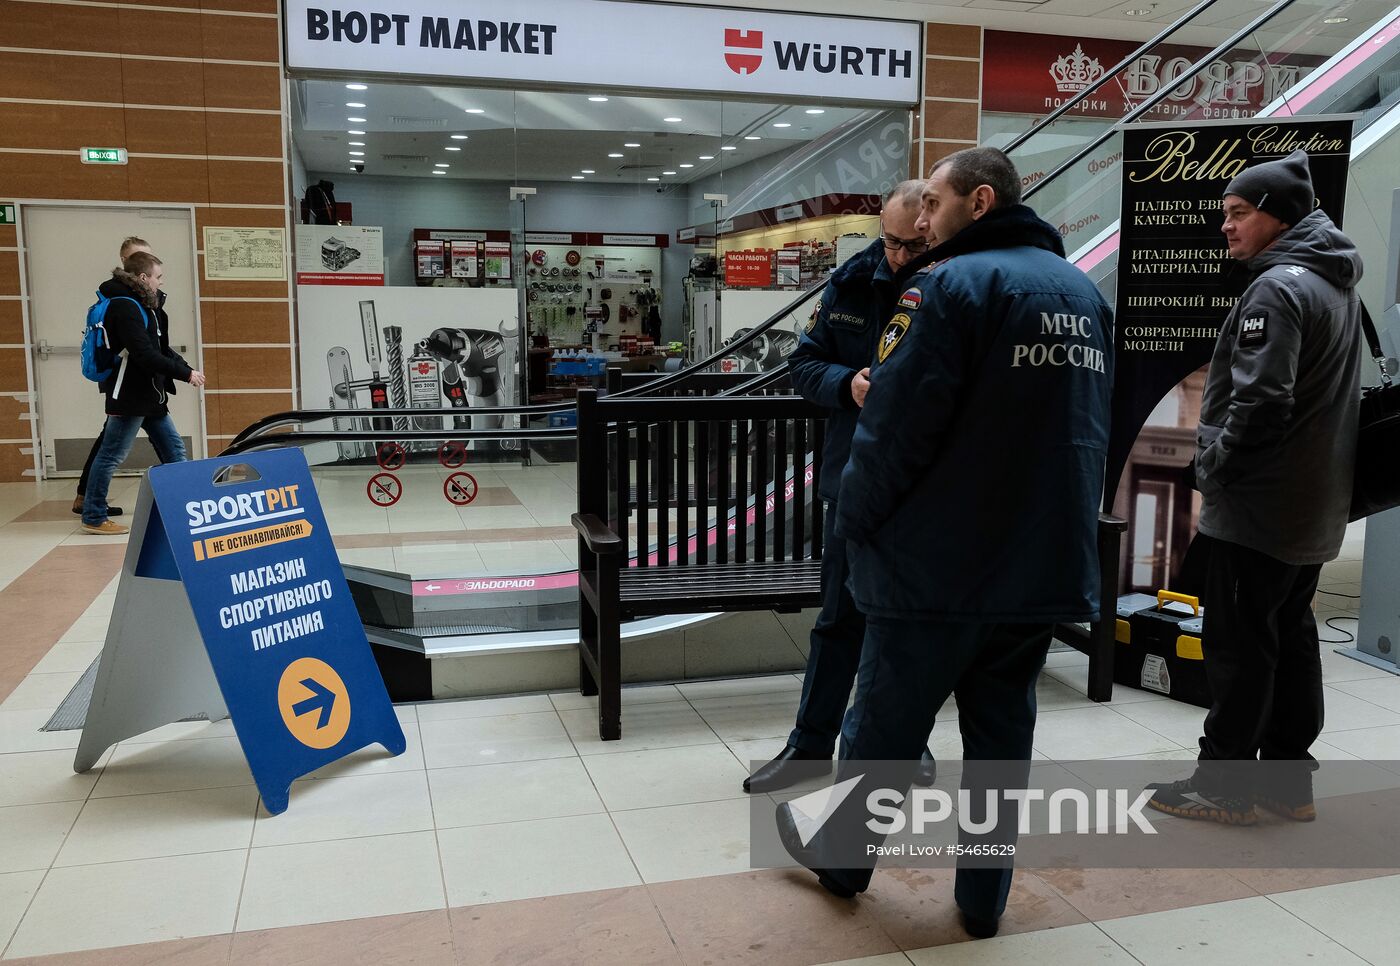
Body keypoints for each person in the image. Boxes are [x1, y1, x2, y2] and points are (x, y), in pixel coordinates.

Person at [775, 147, 1113, 939]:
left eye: (933, 201)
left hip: (937, 567)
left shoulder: (946, 288)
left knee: (885, 728)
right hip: (1040, 562)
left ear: (980, 201)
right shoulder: (1082, 295)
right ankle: (984, 898)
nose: (920, 218)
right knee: (1003, 738)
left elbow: (894, 431)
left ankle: (843, 859)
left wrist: (854, 524)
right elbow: (1087, 434)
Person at [1146, 149, 1363, 826]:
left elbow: (1263, 401)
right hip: (1312, 502)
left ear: (1279, 215)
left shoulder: (1277, 288)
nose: (1226, 228)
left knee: (1239, 648)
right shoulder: (1334, 282)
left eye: (1239, 213)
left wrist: (1211, 470)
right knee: (1290, 638)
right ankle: (1288, 783)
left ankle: (1225, 784)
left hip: (1261, 506)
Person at [745, 180, 938, 794]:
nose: (899, 257)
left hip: (925, 484)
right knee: (839, 620)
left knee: (909, 624)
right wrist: (846, 384)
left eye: (914, 245)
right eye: (891, 241)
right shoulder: (853, 279)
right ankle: (808, 747)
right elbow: (803, 363)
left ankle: (904, 745)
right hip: (852, 481)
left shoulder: (955, 285)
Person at [81, 251, 206, 535]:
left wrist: (184, 367)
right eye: (157, 277)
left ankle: (184, 509)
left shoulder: (144, 304)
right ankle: (93, 515)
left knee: (174, 450)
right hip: (130, 394)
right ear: (142, 277)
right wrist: (185, 374)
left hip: (150, 394)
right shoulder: (125, 307)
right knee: (111, 454)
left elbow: (159, 348)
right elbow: (144, 354)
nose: (160, 282)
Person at [73, 236, 152, 517]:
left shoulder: (137, 295)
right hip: (127, 384)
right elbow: (141, 346)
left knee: (114, 443)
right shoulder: (122, 299)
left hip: (142, 384)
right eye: (136, 258)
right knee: (110, 448)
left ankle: (87, 498)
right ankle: (90, 505)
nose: (144, 264)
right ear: (124, 263)